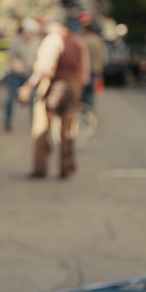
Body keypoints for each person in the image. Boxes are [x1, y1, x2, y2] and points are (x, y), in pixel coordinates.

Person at [18, 16, 90, 179]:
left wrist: (30, 86)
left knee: (41, 128)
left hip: (53, 86)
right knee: (67, 130)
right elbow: (85, 73)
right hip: (73, 87)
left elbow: (45, 68)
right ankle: (67, 167)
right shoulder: (78, 41)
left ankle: (40, 167)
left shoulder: (53, 40)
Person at [4, 18, 41, 132]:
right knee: (11, 99)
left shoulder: (38, 42)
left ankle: (34, 124)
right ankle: (8, 123)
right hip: (16, 75)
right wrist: (16, 62)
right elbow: (11, 55)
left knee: (33, 100)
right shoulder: (17, 41)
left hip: (30, 75)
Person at [80, 17, 106, 107]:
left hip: (85, 68)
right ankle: (89, 109)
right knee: (91, 91)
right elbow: (102, 56)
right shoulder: (98, 40)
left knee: (83, 90)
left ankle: (83, 108)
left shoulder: (83, 40)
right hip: (95, 68)